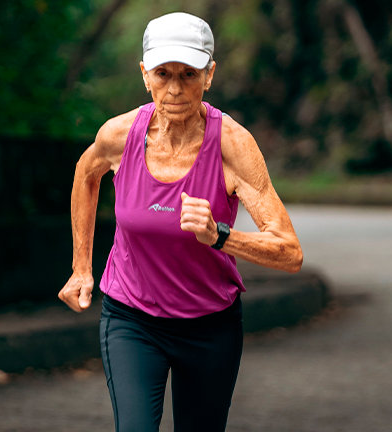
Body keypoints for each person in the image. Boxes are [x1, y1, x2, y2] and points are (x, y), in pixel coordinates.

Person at [58, 11, 303, 432]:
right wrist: (82, 267)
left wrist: (219, 236)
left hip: (209, 326)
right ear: (144, 74)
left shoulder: (232, 144)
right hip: (132, 319)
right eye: (163, 73)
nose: (174, 88)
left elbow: (289, 253)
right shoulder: (118, 136)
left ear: (209, 75)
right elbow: (86, 175)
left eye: (188, 74)